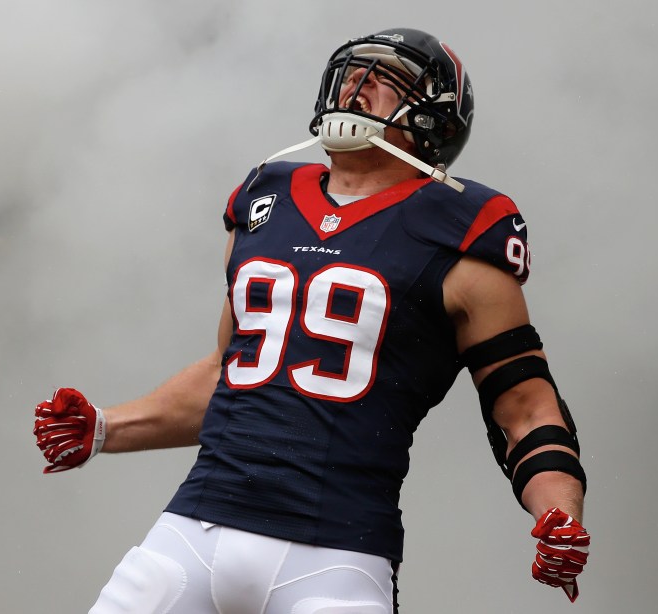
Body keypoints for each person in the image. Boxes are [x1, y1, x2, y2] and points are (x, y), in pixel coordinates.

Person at [33, 28, 590, 614]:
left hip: (336, 557)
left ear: (434, 120)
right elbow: (230, 372)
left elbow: (526, 408)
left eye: (388, 77)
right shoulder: (264, 200)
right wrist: (106, 428)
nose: (357, 85)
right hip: (191, 532)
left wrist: (560, 515)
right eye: (352, 72)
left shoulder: (465, 228)